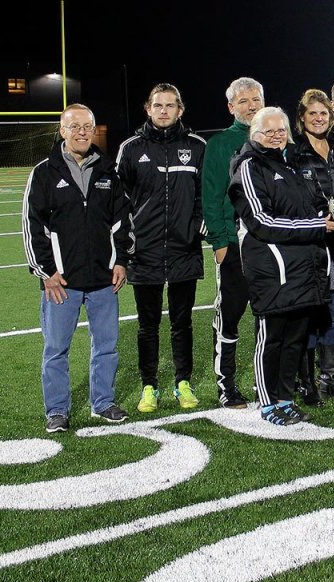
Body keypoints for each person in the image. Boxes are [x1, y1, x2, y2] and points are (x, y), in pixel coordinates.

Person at [22, 103, 132, 432]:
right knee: (56, 349)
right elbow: (32, 226)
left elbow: (122, 222)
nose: (82, 132)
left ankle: (103, 402)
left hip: (102, 280)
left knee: (107, 346)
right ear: (62, 132)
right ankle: (57, 410)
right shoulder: (44, 172)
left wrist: (122, 261)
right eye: (74, 127)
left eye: (87, 126)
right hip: (62, 283)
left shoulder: (108, 171)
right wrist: (46, 273)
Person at [228, 106, 334, 425]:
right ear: (254, 134)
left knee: (295, 338)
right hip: (272, 267)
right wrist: (317, 227)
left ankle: (285, 397)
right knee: (271, 336)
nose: (276, 136)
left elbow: (316, 205)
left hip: (304, 267)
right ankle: (267, 402)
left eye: (281, 130)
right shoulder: (248, 166)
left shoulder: (295, 164)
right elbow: (261, 221)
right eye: (269, 131)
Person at [116, 83, 207, 414]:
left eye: (171, 105)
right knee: (148, 324)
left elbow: (203, 195)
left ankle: (183, 382)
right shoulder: (130, 148)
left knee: (182, 323)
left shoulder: (197, 146)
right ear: (148, 108)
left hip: (184, 249)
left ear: (180, 109)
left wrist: (198, 224)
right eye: (158, 105)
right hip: (145, 251)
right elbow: (119, 200)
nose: (164, 110)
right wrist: (128, 241)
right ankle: (149, 386)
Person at [287, 88, 334, 405]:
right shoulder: (292, 153)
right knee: (310, 316)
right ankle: (306, 383)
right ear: (302, 118)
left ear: (331, 117)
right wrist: (318, 220)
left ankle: (331, 378)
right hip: (310, 246)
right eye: (312, 113)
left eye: (324, 113)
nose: (319, 118)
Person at [202, 77, 264, 408]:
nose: (252, 105)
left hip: (269, 244)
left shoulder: (275, 138)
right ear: (231, 107)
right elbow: (212, 198)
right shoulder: (220, 144)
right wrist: (221, 242)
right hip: (236, 244)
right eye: (244, 101)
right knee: (230, 313)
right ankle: (227, 384)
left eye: (256, 99)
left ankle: (264, 379)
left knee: (267, 315)